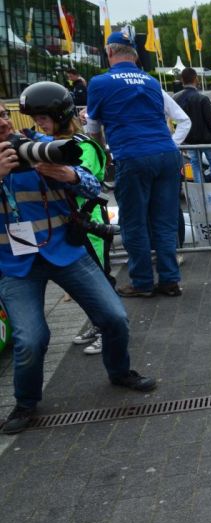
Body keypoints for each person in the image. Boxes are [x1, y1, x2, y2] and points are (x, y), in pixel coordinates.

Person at [0, 104, 157, 434]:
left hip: (65, 251)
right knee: (31, 339)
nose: (2, 123)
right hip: (16, 264)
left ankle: (119, 372)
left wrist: (68, 174)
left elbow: (91, 185)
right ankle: (26, 403)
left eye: (2, 114)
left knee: (114, 317)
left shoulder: (41, 145)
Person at [86, 31, 184, 298]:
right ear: (136, 54)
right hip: (166, 153)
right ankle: (170, 279)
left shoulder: (99, 83)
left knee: (134, 222)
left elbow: (93, 126)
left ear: (109, 53)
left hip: (132, 155)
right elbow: (176, 117)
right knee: (164, 221)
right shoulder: (151, 81)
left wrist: (102, 153)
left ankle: (142, 282)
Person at [21, 81, 113, 355]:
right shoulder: (43, 145)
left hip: (87, 224)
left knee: (101, 280)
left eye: (43, 119)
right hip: (67, 226)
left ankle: (109, 329)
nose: (40, 125)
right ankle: (99, 324)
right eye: (36, 120)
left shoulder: (80, 146)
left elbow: (84, 181)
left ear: (59, 116)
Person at [173, 68, 211, 183]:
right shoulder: (202, 98)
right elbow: (210, 120)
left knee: (195, 165)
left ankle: (200, 192)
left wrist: (181, 138)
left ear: (182, 80)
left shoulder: (176, 98)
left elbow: (175, 121)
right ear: (196, 79)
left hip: (189, 140)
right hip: (207, 139)